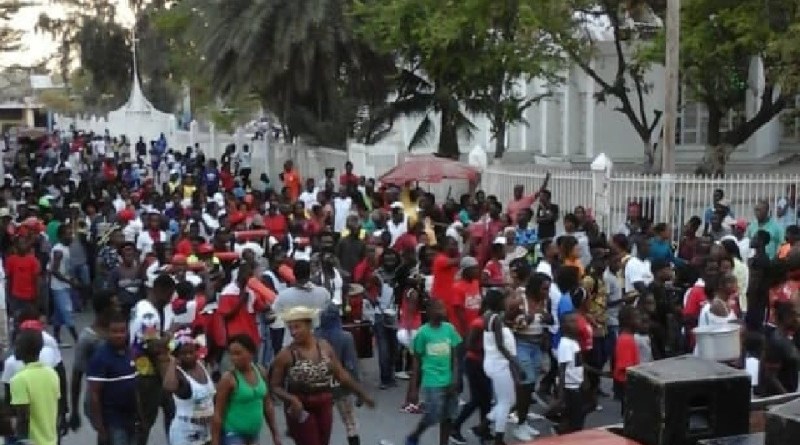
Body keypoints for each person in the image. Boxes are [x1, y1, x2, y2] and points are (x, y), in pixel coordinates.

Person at [270, 306, 374, 445]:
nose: (293, 332)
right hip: (301, 405)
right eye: (290, 328)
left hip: (324, 402)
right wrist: (291, 399)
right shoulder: (286, 354)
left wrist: (361, 394)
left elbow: (341, 375)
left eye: (297, 327)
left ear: (309, 325)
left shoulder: (324, 347)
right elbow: (275, 386)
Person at [405, 299, 462, 445]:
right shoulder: (423, 333)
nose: (442, 310)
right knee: (433, 414)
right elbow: (416, 362)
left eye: (443, 307)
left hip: (449, 379)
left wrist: (455, 377)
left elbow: (455, 356)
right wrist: (413, 389)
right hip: (432, 380)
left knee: (448, 415)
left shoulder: (449, 329)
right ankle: (416, 434)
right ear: (429, 312)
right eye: (438, 308)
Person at [130, 274, 176, 445]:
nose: (169, 301)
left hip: (148, 370)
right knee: (145, 422)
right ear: (160, 291)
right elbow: (152, 347)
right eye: (169, 295)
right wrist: (170, 335)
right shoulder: (150, 315)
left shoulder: (140, 305)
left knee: (172, 411)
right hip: (147, 374)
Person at [212, 334, 280, 445]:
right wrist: (215, 442)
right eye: (231, 354)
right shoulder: (228, 379)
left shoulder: (260, 371)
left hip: (253, 434)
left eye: (238, 353)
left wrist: (275, 434)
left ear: (251, 353)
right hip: (233, 434)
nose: (234, 358)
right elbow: (218, 413)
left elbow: (268, 405)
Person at [87, 312, 140, 445]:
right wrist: (100, 429)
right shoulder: (100, 358)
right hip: (113, 421)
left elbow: (135, 388)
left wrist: (141, 416)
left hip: (131, 419)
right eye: (114, 331)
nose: (119, 335)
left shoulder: (130, 353)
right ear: (107, 332)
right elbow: (94, 395)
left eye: (122, 331)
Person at [316, 304, 362, 445]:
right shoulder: (346, 337)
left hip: (320, 386)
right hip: (341, 386)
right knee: (350, 423)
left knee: (321, 424)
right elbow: (351, 365)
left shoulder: (315, 337)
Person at [70, 292, 114, 432]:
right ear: (105, 309)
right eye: (115, 305)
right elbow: (76, 377)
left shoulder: (119, 332)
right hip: (99, 402)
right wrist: (74, 411)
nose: (119, 307)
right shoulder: (87, 339)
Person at [164, 327, 216, 445]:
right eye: (183, 353)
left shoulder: (202, 365)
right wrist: (172, 363)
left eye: (191, 352)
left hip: (207, 432)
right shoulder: (178, 373)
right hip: (185, 434)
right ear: (176, 355)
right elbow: (169, 387)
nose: (188, 356)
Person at [9, 327, 60, 445]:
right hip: (51, 439)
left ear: (24, 349)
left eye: (17, 345)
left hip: (33, 441)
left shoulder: (19, 379)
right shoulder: (51, 373)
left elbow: (23, 416)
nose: (14, 348)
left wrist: (21, 440)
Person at [553, 312, 586, 434]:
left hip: (577, 385)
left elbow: (578, 364)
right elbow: (562, 370)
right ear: (563, 325)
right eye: (571, 321)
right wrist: (561, 396)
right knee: (575, 422)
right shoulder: (566, 344)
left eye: (576, 321)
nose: (575, 324)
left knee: (580, 413)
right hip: (570, 388)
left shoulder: (573, 342)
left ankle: (562, 427)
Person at [50, 223, 80, 346]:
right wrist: (69, 281)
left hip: (64, 285)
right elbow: (54, 270)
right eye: (68, 234)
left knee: (58, 314)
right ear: (61, 236)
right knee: (67, 312)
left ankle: (57, 339)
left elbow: (66, 268)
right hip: (59, 287)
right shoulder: (58, 250)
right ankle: (78, 340)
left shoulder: (66, 248)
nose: (71, 236)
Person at [612, 306, 640, 415]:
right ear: (629, 321)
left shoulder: (628, 337)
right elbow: (626, 368)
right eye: (636, 318)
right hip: (627, 385)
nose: (639, 320)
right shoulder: (626, 340)